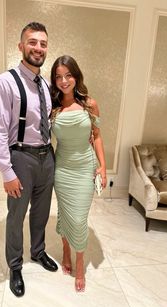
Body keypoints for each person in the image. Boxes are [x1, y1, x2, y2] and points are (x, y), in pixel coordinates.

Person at [0, 22, 58, 298]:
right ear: (20, 46)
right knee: (16, 215)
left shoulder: (45, 84)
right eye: (32, 42)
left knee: (41, 212)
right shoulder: (4, 82)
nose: (38, 48)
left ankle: (38, 252)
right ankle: (15, 265)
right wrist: (7, 172)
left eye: (42, 43)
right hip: (20, 157)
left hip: (46, 156)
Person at [50, 55, 107, 292]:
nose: (64, 81)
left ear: (76, 76)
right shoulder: (52, 107)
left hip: (85, 167)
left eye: (68, 75)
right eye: (59, 77)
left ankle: (80, 261)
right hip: (62, 168)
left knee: (79, 218)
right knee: (64, 212)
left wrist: (103, 167)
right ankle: (65, 249)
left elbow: (96, 135)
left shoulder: (89, 104)